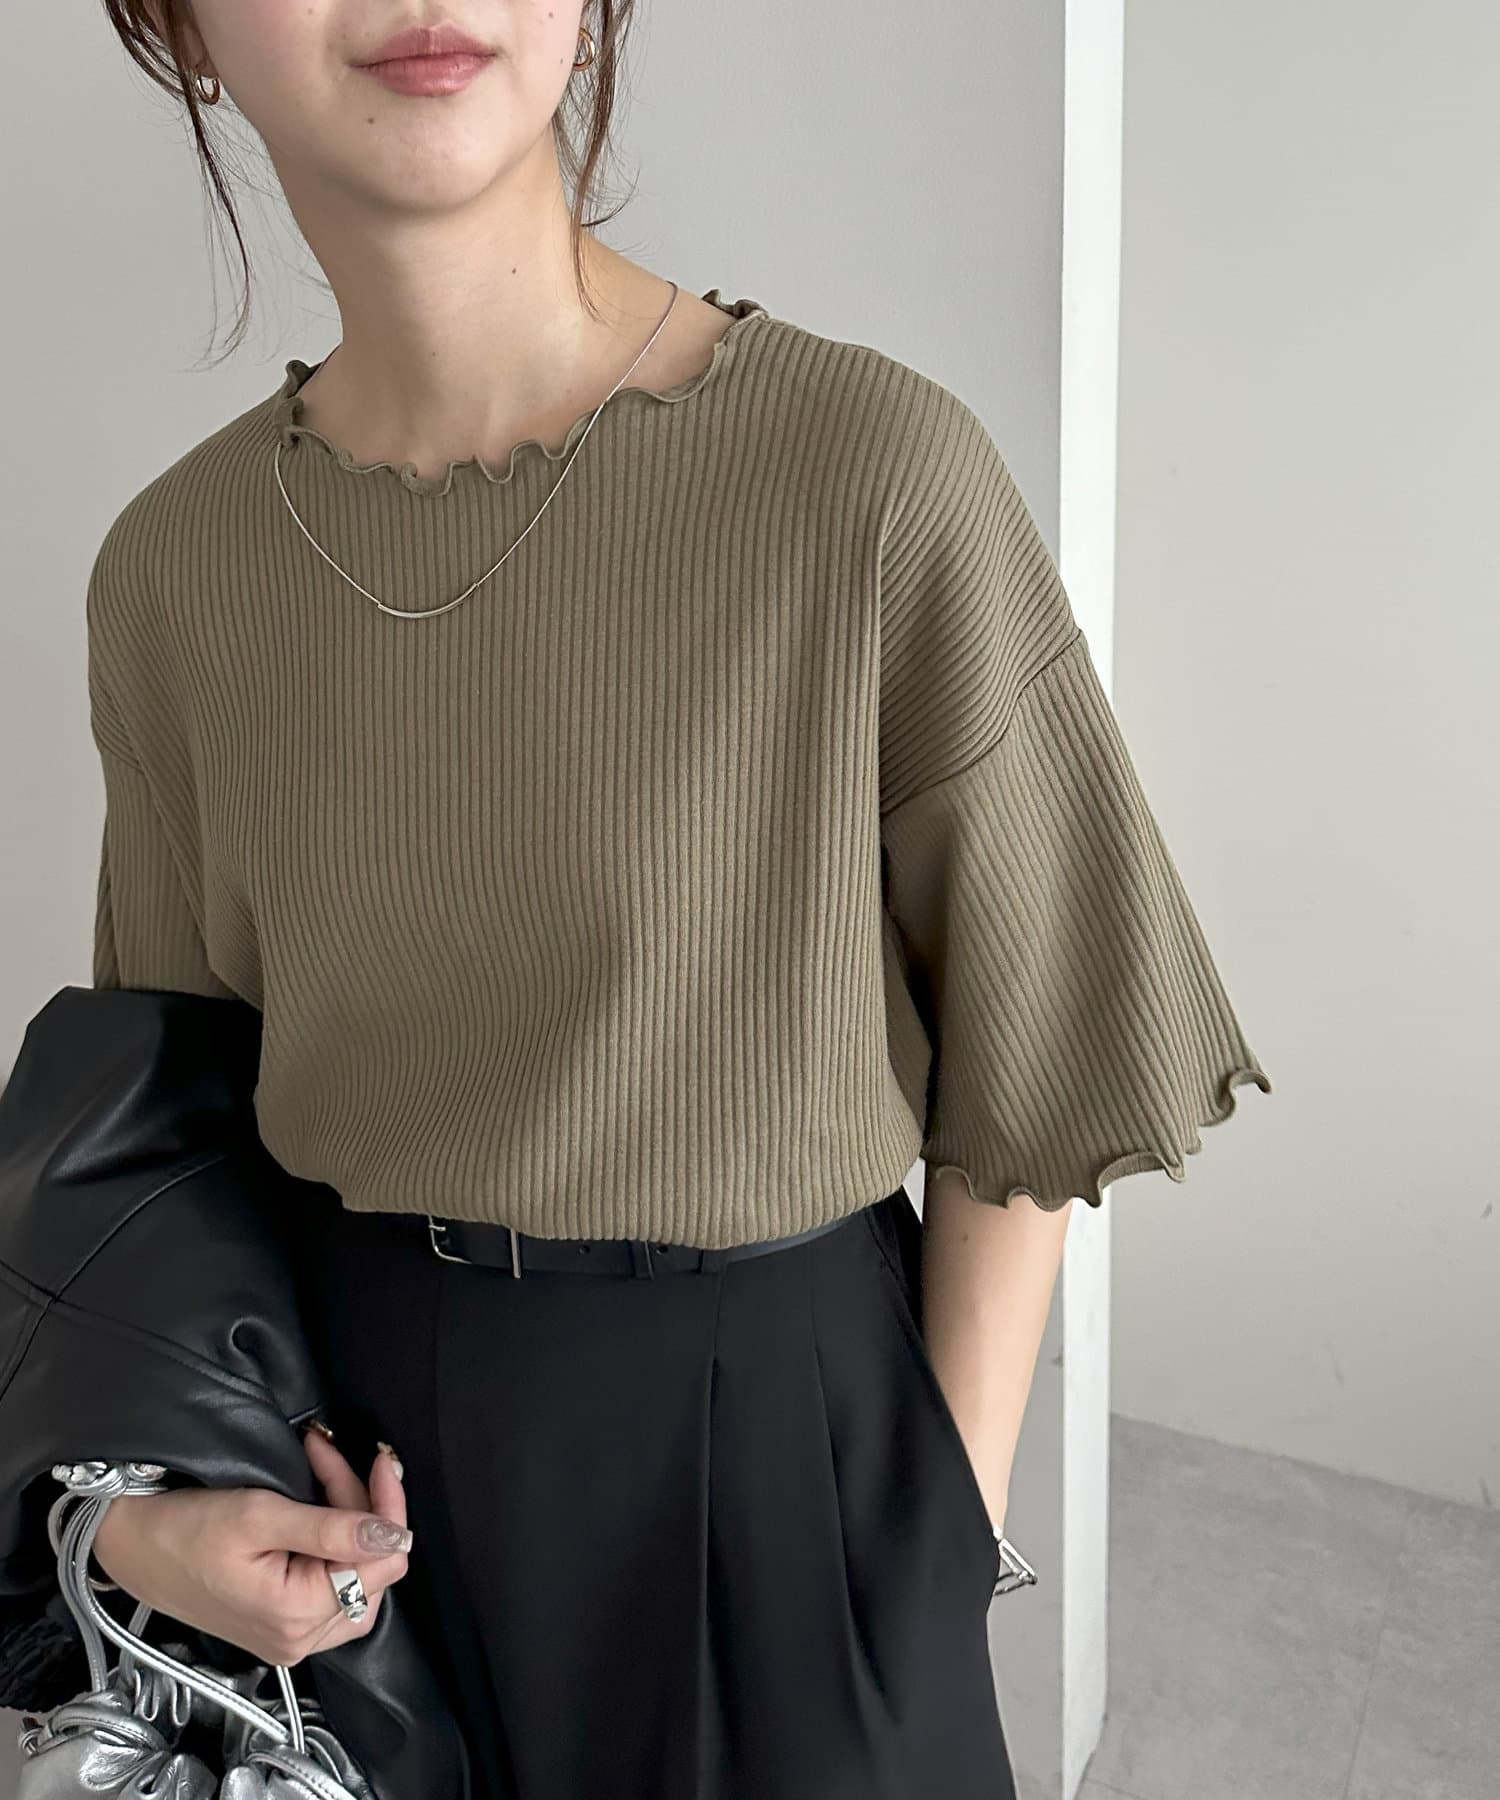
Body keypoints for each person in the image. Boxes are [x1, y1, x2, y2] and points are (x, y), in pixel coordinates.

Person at [81, 4, 1272, 1797]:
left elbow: (1040, 1043)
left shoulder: (867, 473)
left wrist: (929, 1540)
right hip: (349, 1480)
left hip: (779, 1446)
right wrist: (154, 1513)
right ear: (175, 25)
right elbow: (162, 1135)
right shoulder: (178, 570)